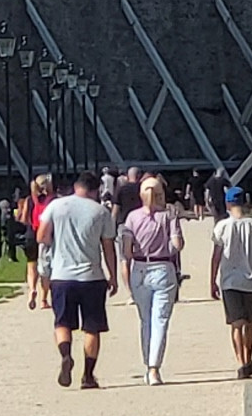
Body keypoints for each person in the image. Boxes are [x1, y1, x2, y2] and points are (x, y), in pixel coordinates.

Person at [43, 165, 116, 389]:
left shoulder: (56, 206)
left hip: (62, 275)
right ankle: (88, 376)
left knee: (62, 323)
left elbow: (42, 235)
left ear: (76, 187)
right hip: (92, 277)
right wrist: (112, 276)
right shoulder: (101, 212)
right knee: (92, 327)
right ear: (95, 190)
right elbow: (108, 247)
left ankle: (66, 355)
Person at [121, 170, 185, 384]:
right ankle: (154, 368)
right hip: (163, 267)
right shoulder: (168, 216)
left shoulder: (132, 217)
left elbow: (127, 251)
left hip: (140, 268)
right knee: (160, 321)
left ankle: (147, 362)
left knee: (145, 320)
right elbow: (178, 245)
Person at [211, 184, 252, 378]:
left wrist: (212, 281)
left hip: (229, 281)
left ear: (227, 204)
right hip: (251, 280)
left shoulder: (222, 226)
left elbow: (216, 256)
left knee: (236, 324)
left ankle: (241, 361)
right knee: (249, 321)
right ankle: (249, 359)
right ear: (245, 203)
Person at [23, 171, 54, 311]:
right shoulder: (52, 200)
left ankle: (32, 289)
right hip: (46, 236)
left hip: (31, 235)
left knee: (31, 265)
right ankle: (43, 299)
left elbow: (24, 219)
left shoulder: (30, 200)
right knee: (46, 269)